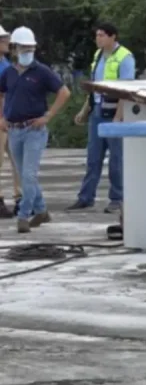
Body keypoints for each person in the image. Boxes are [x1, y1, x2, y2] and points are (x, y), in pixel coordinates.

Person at [0, 26, 71, 233]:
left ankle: (24, 215)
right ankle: (41, 211)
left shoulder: (42, 71)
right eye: (23, 48)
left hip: (34, 130)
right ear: (15, 49)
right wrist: (2, 117)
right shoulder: (9, 72)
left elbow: (64, 92)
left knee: (29, 175)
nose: (27, 52)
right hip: (14, 130)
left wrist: (48, 116)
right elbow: (1, 93)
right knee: (25, 175)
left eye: (30, 48)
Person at [67, 23, 134, 214]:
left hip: (114, 113)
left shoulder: (125, 57)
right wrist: (84, 111)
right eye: (97, 35)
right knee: (93, 158)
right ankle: (86, 198)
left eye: (102, 35)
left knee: (116, 160)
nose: (98, 39)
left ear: (113, 37)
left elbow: (126, 91)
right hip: (97, 111)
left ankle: (117, 199)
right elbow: (94, 88)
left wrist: (118, 118)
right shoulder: (98, 56)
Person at [0, 25, 21, 218]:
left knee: (17, 159)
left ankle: (20, 198)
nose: (7, 42)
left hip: (9, 119)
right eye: (3, 39)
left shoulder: (6, 64)